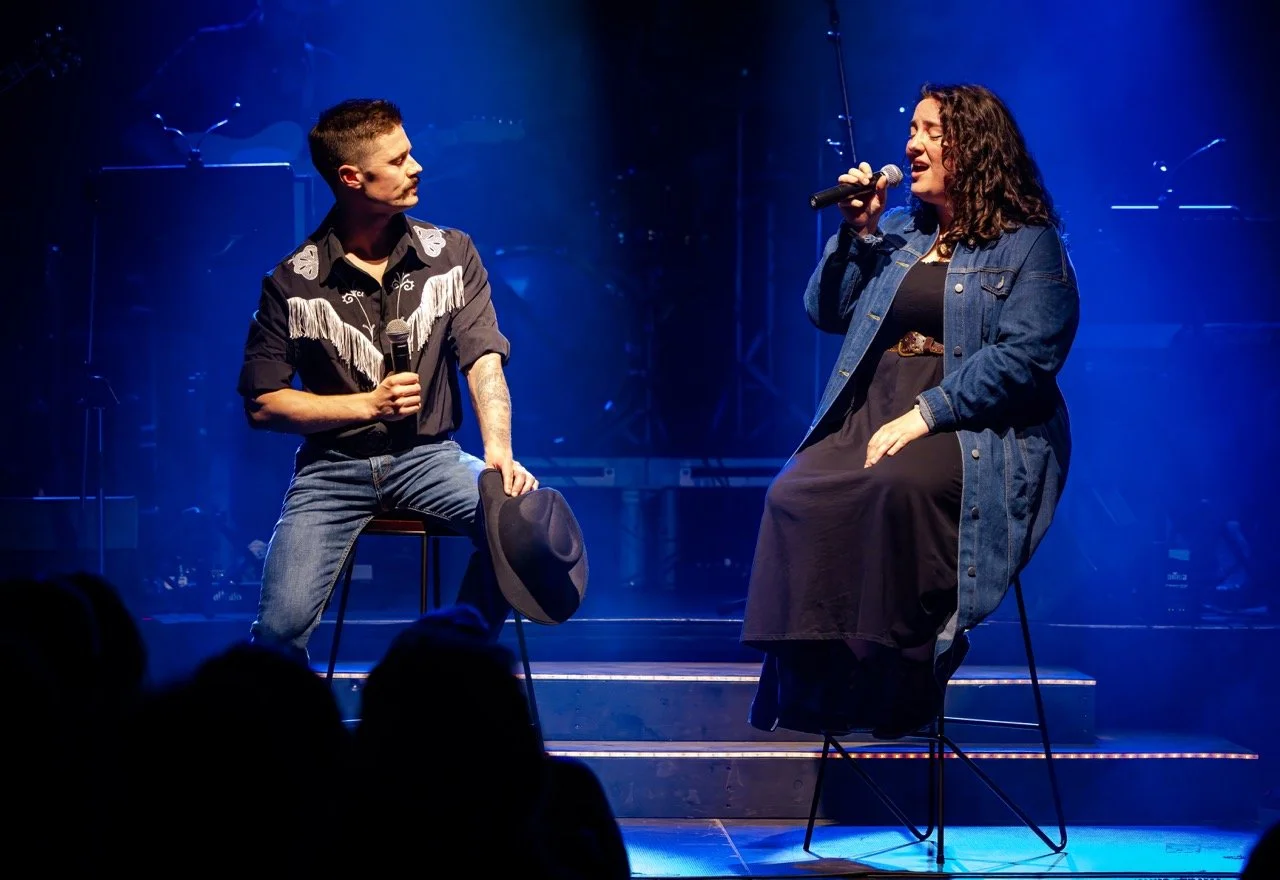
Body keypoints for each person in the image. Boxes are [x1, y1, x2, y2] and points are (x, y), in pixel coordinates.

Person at [740, 83, 1080, 739]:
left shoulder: (1029, 245)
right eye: (912, 130)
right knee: (794, 494)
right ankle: (827, 688)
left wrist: (929, 412)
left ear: (972, 146)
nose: (910, 144)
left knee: (897, 486)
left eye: (928, 131)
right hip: (875, 404)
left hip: (972, 421)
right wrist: (856, 232)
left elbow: (1029, 357)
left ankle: (900, 675)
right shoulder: (896, 234)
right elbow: (827, 311)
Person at [237, 97, 538, 660]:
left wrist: (499, 451)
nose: (416, 165)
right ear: (352, 177)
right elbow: (263, 404)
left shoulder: (450, 253)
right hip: (331, 472)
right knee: (276, 634)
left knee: (522, 527)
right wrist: (367, 405)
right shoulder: (292, 282)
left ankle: (455, 667)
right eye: (398, 160)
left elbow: (482, 357)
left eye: (411, 153)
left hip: (430, 458)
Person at [124, 0, 352, 167]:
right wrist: (178, 172)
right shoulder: (210, 49)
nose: (299, 28)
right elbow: (136, 120)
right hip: (203, 209)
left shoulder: (324, 67)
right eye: (289, 15)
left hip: (281, 209)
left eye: (308, 17)